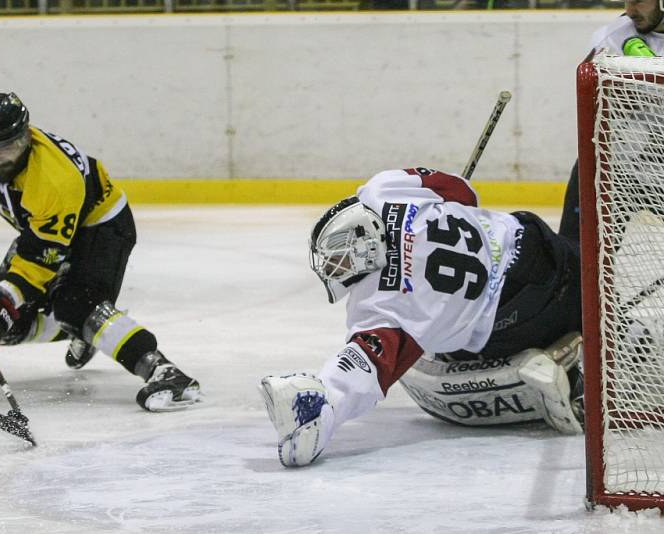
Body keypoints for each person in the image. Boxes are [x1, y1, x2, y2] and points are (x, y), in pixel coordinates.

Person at [260, 168, 584, 467]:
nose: (335, 269)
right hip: (548, 255)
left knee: (434, 352)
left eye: (341, 257)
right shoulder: (385, 191)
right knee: (584, 185)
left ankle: (567, 369)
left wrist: (319, 403)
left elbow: (363, 368)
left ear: (364, 247)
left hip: (529, 321)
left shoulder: (380, 304)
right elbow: (464, 193)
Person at [0, 91, 201, 412]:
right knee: (7, 326)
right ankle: (85, 331)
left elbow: (40, 258)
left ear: (26, 138)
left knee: (76, 304)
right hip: (44, 230)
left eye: (8, 148)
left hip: (102, 226)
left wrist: (5, 300)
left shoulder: (55, 179)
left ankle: (162, 369)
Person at [560, 0, 664, 239]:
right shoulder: (611, 38)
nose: (630, 11)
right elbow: (589, 107)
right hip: (612, 168)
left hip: (659, 169)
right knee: (577, 256)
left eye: (639, 1)